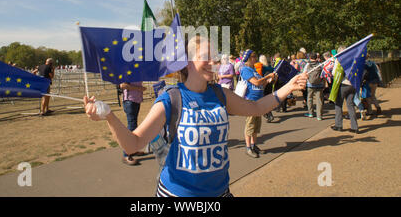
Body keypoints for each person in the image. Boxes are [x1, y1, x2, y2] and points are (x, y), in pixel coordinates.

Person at [84, 35, 307, 197]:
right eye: (206, 57)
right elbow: (133, 143)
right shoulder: (171, 99)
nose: (214, 63)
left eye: (216, 58)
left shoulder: (221, 94)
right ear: (188, 62)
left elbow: (256, 109)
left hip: (220, 193)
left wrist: (288, 87)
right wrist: (110, 116)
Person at [240, 50, 277, 158]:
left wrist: (269, 80)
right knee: (250, 126)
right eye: (253, 56)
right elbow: (255, 82)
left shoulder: (254, 70)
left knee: (256, 126)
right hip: (250, 101)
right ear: (248, 58)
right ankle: (248, 148)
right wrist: (266, 77)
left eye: (255, 56)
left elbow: (261, 85)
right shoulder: (245, 69)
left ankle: (254, 145)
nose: (255, 58)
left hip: (258, 101)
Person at [331, 46, 359, 133]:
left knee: (338, 104)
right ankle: (354, 127)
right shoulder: (353, 58)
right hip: (352, 84)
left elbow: (334, 72)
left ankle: (338, 125)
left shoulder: (339, 59)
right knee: (350, 105)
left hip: (343, 84)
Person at [119, 81, 147, 165]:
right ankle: (126, 154)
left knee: (134, 127)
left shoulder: (137, 72)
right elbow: (123, 85)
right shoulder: (128, 70)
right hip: (129, 101)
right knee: (131, 127)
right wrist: (139, 89)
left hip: (136, 100)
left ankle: (133, 150)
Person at [303, 52, 326, 120]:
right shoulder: (320, 65)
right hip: (319, 84)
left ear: (310, 57)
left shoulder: (308, 65)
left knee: (309, 98)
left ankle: (311, 113)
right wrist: (324, 83)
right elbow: (323, 75)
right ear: (316, 57)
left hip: (310, 84)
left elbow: (305, 74)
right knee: (319, 100)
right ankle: (319, 116)